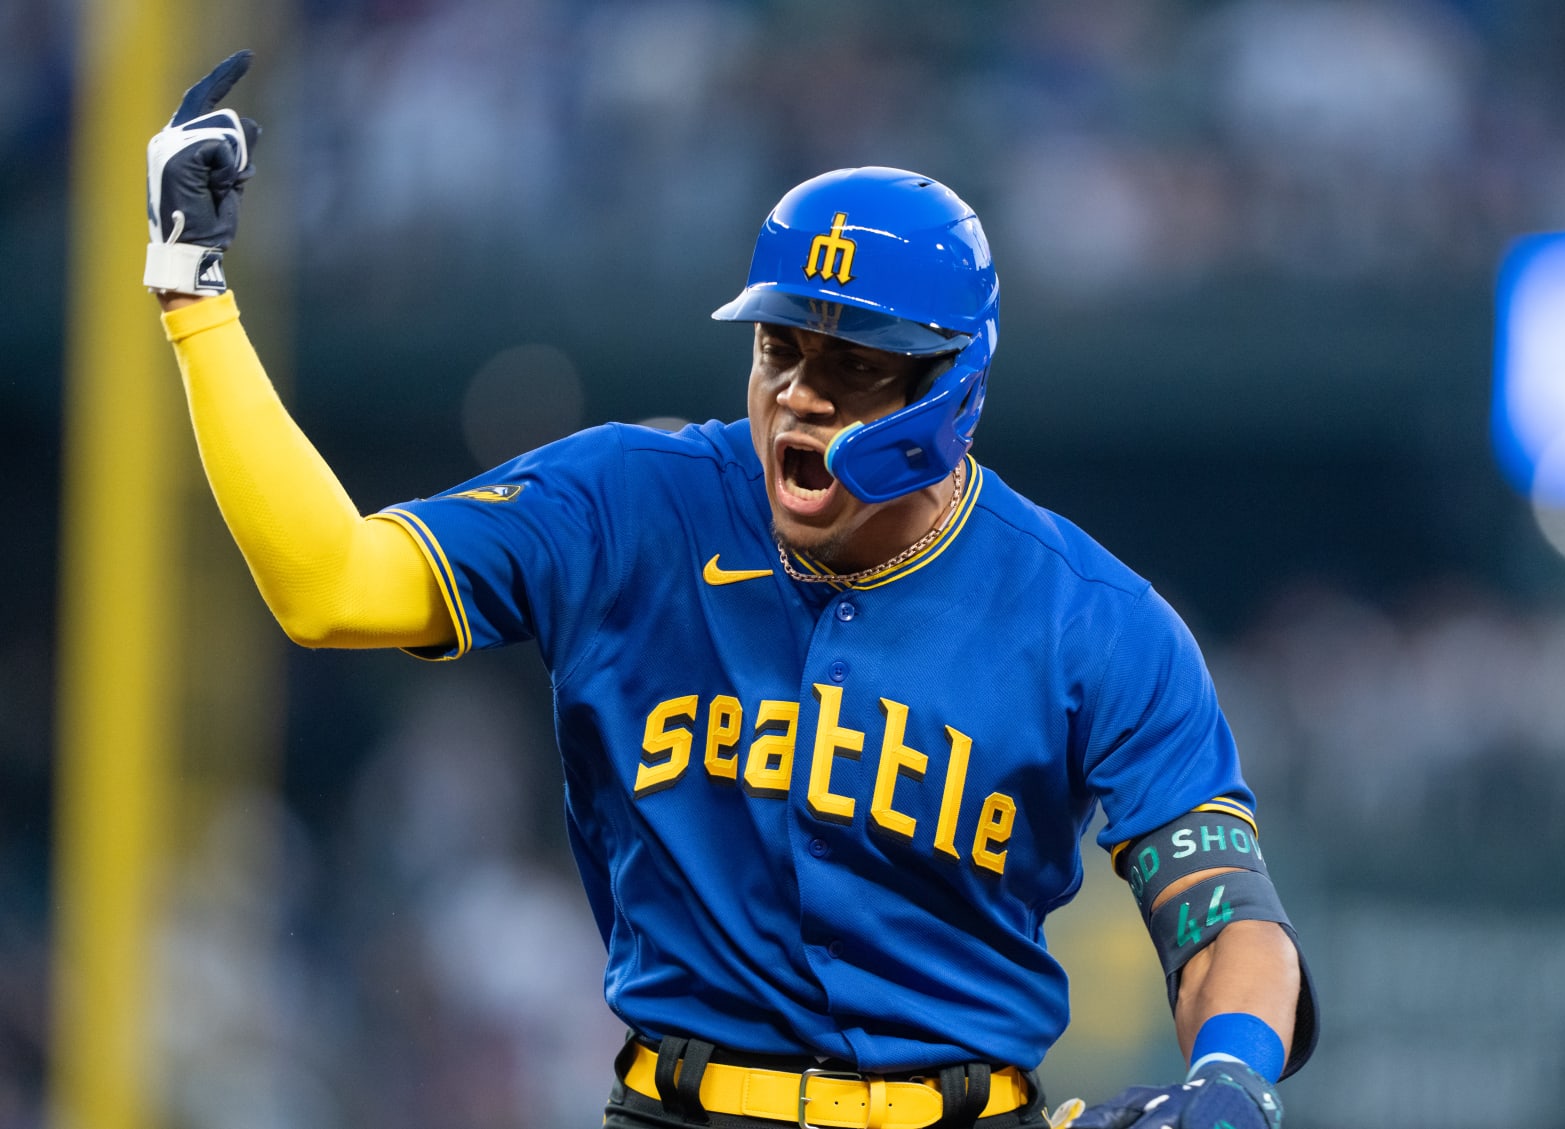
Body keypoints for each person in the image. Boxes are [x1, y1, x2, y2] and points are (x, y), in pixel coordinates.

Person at [145, 53, 1318, 1129]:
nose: (801, 395)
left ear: (953, 391)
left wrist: (1228, 1076)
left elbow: (1225, 918)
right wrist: (196, 299)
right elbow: (330, 585)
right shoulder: (627, 503)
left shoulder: (1088, 616)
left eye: (855, 365)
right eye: (781, 351)